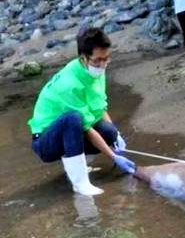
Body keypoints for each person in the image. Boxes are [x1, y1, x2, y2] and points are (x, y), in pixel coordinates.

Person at [28, 27, 137, 196]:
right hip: (45, 141)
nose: (102, 64)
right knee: (73, 119)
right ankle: (80, 183)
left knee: (109, 132)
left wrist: (116, 136)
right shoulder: (69, 84)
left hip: (71, 131)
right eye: (98, 60)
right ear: (83, 58)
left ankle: (76, 164)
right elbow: (86, 128)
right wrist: (113, 156)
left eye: (106, 59)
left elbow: (101, 107)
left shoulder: (96, 71)